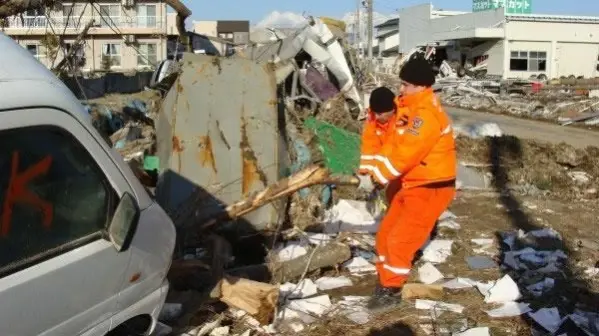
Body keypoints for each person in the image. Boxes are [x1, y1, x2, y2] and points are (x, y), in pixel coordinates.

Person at [356, 56, 457, 311]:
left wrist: (380, 176)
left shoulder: (425, 115)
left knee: (400, 240)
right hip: (411, 183)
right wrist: (373, 172)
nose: (400, 90)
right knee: (385, 235)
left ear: (421, 86)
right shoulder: (407, 109)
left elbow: (408, 151)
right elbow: (391, 145)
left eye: (405, 84)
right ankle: (385, 276)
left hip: (431, 186)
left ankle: (390, 289)